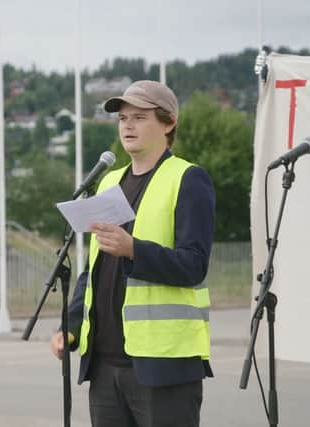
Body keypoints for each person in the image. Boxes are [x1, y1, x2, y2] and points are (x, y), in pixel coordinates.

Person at [50, 80, 215, 427]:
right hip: (105, 365)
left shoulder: (188, 178)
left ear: (168, 123)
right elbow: (93, 269)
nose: (127, 125)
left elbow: (194, 265)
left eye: (139, 117)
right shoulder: (109, 182)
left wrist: (133, 250)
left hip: (164, 365)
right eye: (123, 118)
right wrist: (73, 327)